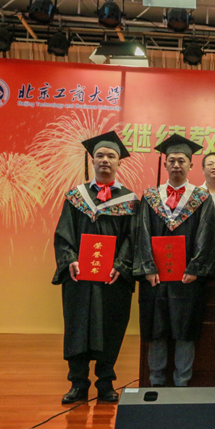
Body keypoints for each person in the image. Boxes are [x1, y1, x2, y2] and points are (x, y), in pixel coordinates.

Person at [52, 131, 139, 404]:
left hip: (112, 278)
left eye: (111, 156)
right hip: (80, 276)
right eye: (99, 155)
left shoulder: (129, 200)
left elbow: (132, 238)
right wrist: (70, 259)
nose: (105, 160)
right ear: (92, 161)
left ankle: (105, 383)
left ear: (119, 162)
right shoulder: (76, 197)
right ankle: (78, 383)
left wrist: (121, 265)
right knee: (78, 327)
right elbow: (63, 234)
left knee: (110, 327)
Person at [133, 134, 215, 387]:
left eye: (181, 160)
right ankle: (156, 382)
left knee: (185, 330)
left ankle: (182, 382)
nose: (176, 165)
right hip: (156, 278)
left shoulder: (201, 198)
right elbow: (142, 234)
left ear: (191, 165)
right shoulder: (150, 197)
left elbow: (206, 235)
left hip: (187, 278)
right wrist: (148, 268)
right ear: (165, 164)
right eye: (171, 160)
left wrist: (196, 268)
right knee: (156, 329)